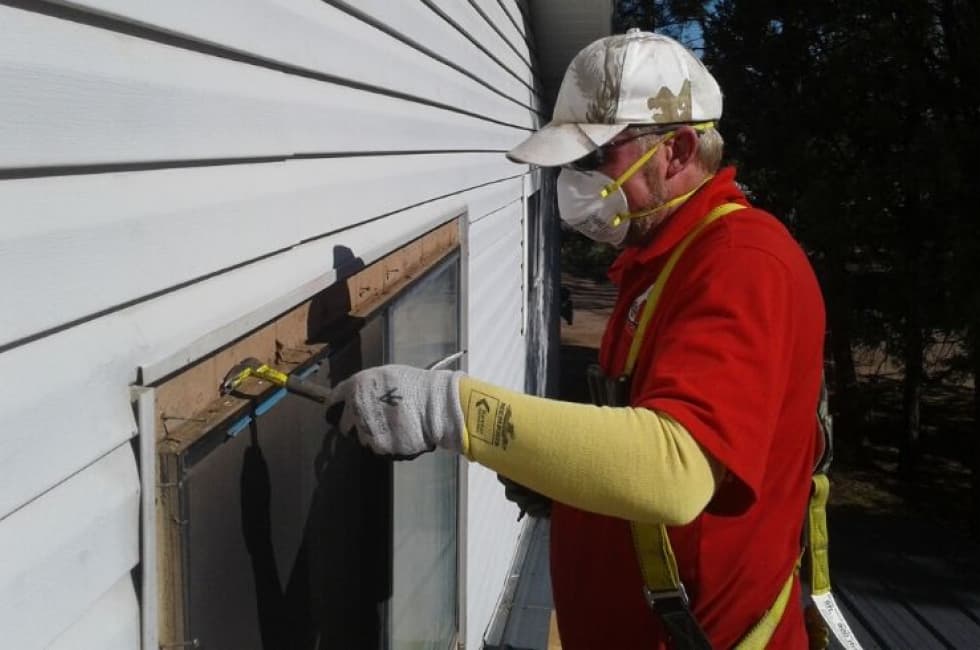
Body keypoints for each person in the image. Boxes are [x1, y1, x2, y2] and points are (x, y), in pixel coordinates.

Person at [326, 29, 825, 649]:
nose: (574, 183)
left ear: (678, 150)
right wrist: (568, 483)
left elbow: (676, 470)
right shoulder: (662, 261)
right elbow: (641, 427)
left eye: (595, 159)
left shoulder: (744, 262)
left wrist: (448, 409)